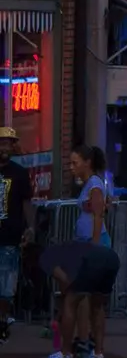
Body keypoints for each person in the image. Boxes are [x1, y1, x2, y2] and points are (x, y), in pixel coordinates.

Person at [39, 239, 118, 358]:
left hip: (92, 260)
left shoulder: (45, 259)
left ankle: (65, 353)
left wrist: (61, 311)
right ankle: (98, 353)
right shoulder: (67, 248)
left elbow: (65, 281)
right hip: (112, 257)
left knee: (70, 303)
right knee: (97, 306)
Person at [0, 126, 31, 343]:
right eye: (2, 143)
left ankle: (3, 321)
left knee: (6, 285)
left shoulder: (19, 173)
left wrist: (30, 227)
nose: (5, 147)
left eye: (8, 143)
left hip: (10, 235)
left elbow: (26, 202)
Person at [70, 146, 111, 247]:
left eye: (75, 163)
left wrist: (95, 244)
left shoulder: (94, 183)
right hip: (84, 239)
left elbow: (98, 215)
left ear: (87, 163)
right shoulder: (88, 184)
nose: (71, 167)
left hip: (94, 241)